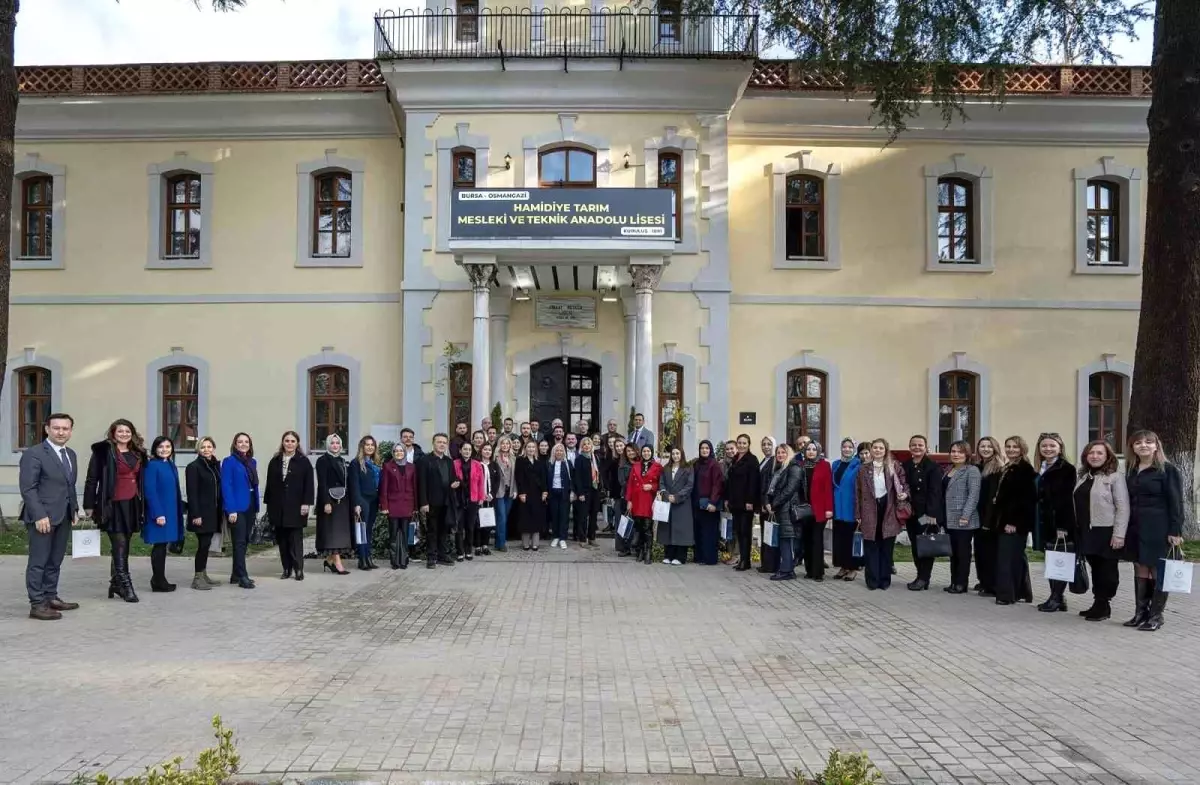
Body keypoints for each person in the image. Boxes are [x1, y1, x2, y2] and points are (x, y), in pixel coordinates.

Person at [19, 412, 81, 620]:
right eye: (56, 428)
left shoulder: (70, 454)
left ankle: (50, 596)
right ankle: (37, 604)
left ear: (71, 431)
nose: (61, 432)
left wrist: (74, 509)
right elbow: (29, 488)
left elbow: (69, 485)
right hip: (42, 517)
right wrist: (39, 515)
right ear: (47, 429)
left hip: (63, 515)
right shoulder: (34, 454)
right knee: (39, 561)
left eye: (65, 428)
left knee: (55, 560)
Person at [1123, 430, 1185, 632]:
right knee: (1140, 566)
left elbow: (1176, 503)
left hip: (1159, 526)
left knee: (1157, 569)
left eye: (1148, 442)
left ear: (1156, 446)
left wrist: (1175, 531)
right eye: (1138, 442)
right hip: (1136, 526)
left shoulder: (1168, 470)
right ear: (1132, 447)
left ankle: (1156, 616)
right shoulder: (1131, 470)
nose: (1143, 445)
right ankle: (1140, 613)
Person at [85, 419, 149, 604]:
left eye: (127, 431)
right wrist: (89, 505)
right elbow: (92, 478)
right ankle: (126, 585)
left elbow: (141, 479)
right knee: (120, 543)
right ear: (113, 433)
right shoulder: (103, 451)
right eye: (120, 431)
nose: (124, 434)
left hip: (131, 504)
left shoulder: (138, 453)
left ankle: (115, 583)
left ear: (132, 433)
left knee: (124, 543)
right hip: (111, 503)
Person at [1074, 440, 1129, 622]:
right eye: (1091, 453)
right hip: (1086, 530)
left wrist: (1119, 534)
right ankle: (1098, 602)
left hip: (1106, 530)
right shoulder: (1084, 476)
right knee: (1095, 567)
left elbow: (1123, 507)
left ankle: (1104, 604)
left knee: (1107, 570)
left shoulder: (1114, 477)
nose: (1095, 456)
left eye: (1099, 453)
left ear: (1107, 457)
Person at [855, 438, 908, 591]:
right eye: (875, 448)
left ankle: (884, 580)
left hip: (888, 508)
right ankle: (872, 580)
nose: (877, 450)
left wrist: (904, 494)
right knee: (871, 545)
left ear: (886, 451)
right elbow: (857, 493)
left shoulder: (894, 466)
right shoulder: (863, 469)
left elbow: (904, 484)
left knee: (886, 546)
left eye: (881, 448)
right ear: (871, 450)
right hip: (869, 509)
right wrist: (857, 513)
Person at [1034, 432, 1076, 613]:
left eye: (1052, 446)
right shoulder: (1042, 467)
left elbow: (1065, 500)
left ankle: (1056, 597)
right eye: (1044, 446)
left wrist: (1062, 527)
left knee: (1059, 559)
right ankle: (1057, 596)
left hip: (1059, 523)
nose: (1048, 449)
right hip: (1044, 522)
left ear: (1060, 448)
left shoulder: (1066, 469)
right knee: (1051, 559)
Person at [264, 431, 314, 581]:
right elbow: (270, 484)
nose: (290, 444)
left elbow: (309, 485)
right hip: (278, 506)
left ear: (297, 443)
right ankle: (286, 568)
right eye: (287, 441)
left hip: (296, 506)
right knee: (282, 540)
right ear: (283, 442)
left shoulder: (303, 461)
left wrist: (306, 503)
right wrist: (268, 505)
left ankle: (298, 569)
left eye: (293, 441)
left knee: (295, 539)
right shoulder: (275, 461)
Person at [992, 437, 1036, 606]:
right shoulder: (1009, 467)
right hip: (1005, 519)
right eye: (1008, 447)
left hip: (1013, 522)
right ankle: (1023, 592)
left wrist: (1013, 522)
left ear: (1022, 449)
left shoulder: (1023, 470)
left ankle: (1006, 595)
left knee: (1007, 558)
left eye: (1015, 447)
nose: (1011, 450)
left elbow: (1023, 500)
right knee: (1017, 557)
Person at [143, 436, 185, 593]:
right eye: (161, 447)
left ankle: (159, 579)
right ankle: (158, 580)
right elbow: (150, 491)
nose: (164, 449)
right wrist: (158, 513)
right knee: (159, 546)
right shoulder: (152, 466)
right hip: (159, 512)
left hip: (171, 511)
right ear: (155, 448)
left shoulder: (170, 465)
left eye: (168, 446)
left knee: (163, 545)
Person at [902, 435, 944, 592]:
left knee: (925, 544)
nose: (917, 447)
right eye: (913, 445)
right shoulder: (906, 465)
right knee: (915, 545)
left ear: (926, 447)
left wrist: (932, 514)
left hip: (926, 514)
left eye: (920, 445)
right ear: (909, 447)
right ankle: (919, 575)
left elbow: (935, 492)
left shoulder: (932, 467)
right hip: (911, 513)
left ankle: (924, 578)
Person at [941, 441, 981, 594]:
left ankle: (961, 583)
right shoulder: (948, 470)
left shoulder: (972, 470)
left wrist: (966, 515)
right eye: (953, 451)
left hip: (963, 519)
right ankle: (953, 581)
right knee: (953, 553)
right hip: (949, 518)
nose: (956, 454)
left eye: (960, 452)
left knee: (963, 553)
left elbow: (973, 495)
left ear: (967, 454)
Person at [220, 432, 259, 589]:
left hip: (250, 504)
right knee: (239, 541)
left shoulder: (252, 462)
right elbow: (226, 486)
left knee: (245, 540)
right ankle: (243, 576)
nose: (243, 444)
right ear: (235, 445)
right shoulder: (229, 462)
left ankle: (235, 574)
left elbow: (253, 484)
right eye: (240, 442)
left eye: (246, 442)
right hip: (236, 506)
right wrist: (231, 510)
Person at [185, 436, 223, 591]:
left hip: (213, 512)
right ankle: (197, 578)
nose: (206, 449)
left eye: (209, 446)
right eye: (203, 447)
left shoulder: (214, 465)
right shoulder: (194, 467)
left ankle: (203, 573)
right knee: (203, 545)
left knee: (207, 545)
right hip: (201, 513)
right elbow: (192, 493)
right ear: (198, 450)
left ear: (213, 448)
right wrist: (196, 515)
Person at [314, 435, 353, 577]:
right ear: (328, 445)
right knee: (332, 533)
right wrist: (326, 502)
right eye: (332, 443)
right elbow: (322, 483)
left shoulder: (342, 461)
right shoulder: (322, 461)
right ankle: (337, 563)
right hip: (329, 500)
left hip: (342, 501)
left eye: (338, 443)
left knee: (339, 533)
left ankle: (329, 561)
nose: (335, 445)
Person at [764, 443, 802, 580]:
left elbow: (789, 490)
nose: (780, 455)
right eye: (778, 453)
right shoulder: (778, 469)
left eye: (783, 452)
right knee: (782, 540)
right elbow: (770, 489)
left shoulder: (794, 468)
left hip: (788, 510)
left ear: (789, 454)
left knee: (787, 540)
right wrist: (767, 502)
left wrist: (773, 504)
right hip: (779, 509)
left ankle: (786, 570)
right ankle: (787, 569)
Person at [973, 437, 1006, 596]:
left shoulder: (997, 468)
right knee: (980, 551)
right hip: (978, 516)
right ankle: (983, 581)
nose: (985, 449)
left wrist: (987, 521)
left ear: (995, 449)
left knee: (989, 553)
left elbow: (993, 498)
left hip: (989, 518)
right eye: (982, 446)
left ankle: (992, 585)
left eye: (989, 446)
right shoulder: (979, 466)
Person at [419, 433, 456, 568]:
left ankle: (442, 555)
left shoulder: (449, 461)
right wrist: (423, 502)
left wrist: (455, 483)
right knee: (432, 531)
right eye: (439, 442)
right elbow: (421, 483)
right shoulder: (425, 460)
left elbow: (452, 478)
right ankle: (431, 557)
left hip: (446, 502)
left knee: (444, 530)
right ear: (433, 443)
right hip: (431, 502)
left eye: (444, 442)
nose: (442, 444)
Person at [798, 441, 834, 581]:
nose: (811, 452)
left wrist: (829, 509)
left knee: (816, 540)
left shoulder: (824, 465)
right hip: (805, 509)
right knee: (806, 540)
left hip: (820, 509)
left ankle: (818, 572)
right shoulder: (801, 466)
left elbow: (828, 488)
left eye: (814, 449)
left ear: (818, 451)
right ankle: (809, 570)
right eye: (808, 449)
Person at [380, 441, 418, 569]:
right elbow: (383, 487)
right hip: (393, 505)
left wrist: (415, 507)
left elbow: (415, 487)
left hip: (407, 504)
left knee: (406, 533)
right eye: (396, 451)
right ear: (393, 453)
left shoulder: (411, 467)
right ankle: (395, 561)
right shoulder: (387, 466)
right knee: (394, 534)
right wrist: (384, 506)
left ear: (405, 452)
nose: (399, 453)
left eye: (401, 451)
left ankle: (404, 560)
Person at [830, 439, 864, 581]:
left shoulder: (858, 465)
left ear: (854, 449)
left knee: (851, 539)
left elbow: (861, 489)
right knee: (839, 539)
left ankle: (853, 568)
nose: (847, 449)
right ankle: (843, 566)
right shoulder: (836, 464)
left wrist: (860, 510)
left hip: (851, 507)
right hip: (838, 508)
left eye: (850, 447)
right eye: (844, 446)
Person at [726, 434, 760, 572]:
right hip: (735, 502)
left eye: (744, 443)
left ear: (749, 444)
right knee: (739, 531)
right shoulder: (735, 459)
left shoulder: (752, 460)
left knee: (746, 532)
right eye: (739, 443)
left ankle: (746, 561)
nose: (741, 445)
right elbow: (730, 481)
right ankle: (742, 558)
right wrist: (728, 498)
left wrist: (750, 501)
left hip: (746, 502)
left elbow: (753, 482)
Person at [658, 446, 694, 565]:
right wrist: (667, 495)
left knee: (681, 530)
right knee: (667, 529)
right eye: (673, 454)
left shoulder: (688, 468)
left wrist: (677, 496)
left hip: (682, 504)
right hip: (668, 502)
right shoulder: (666, 468)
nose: (675, 456)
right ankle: (668, 555)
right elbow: (661, 483)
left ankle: (680, 557)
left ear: (682, 454)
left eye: (677, 453)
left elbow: (689, 485)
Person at [626, 443, 662, 563]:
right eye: (644, 451)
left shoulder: (657, 466)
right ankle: (640, 550)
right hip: (636, 500)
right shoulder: (636, 465)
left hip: (648, 500)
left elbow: (661, 484)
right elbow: (630, 484)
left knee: (647, 527)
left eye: (648, 451)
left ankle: (648, 552)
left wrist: (651, 486)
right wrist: (629, 500)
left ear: (652, 452)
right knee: (639, 527)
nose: (646, 453)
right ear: (641, 453)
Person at [349, 435, 381, 570]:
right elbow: (354, 485)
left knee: (369, 530)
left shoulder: (375, 463)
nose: (370, 447)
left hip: (374, 499)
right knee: (361, 530)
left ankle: (368, 557)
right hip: (362, 499)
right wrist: (356, 503)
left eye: (372, 445)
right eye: (367, 445)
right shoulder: (356, 463)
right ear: (362, 447)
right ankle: (362, 559)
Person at [692, 440, 724, 566]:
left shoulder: (714, 464)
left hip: (709, 504)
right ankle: (699, 556)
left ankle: (709, 558)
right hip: (697, 504)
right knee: (698, 531)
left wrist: (713, 502)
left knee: (709, 532)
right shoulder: (696, 464)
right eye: (702, 448)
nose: (704, 450)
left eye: (707, 448)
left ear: (710, 450)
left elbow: (718, 484)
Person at [453, 441, 485, 560]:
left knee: (470, 526)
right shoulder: (454, 464)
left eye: (469, 450)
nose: (467, 451)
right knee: (459, 527)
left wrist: (481, 497)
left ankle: (468, 550)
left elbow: (481, 482)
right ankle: (460, 552)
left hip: (473, 499)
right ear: (460, 450)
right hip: (459, 499)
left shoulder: (477, 464)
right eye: (465, 449)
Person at [516, 440, 547, 551]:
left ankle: (535, 543)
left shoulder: (539, 462)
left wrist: (545, 491)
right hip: (525, 493)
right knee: (525, 518)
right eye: (529, 447)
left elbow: (544, 478)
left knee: (536, 517)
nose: (531, 449)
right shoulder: (520, 461)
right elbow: (519, 478)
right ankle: (525, 544)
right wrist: (521, 493)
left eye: (533, 447)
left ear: (536, 449)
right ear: (525, 448)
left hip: (537, 494)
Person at [572, 436, 601, 547]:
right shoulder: (579, 459)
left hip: (595, 490)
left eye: (589, 444)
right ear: (581, 446)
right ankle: (582, 539)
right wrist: (580, 493)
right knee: (583, 516)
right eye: (584, 444)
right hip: (584, 491)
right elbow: (577, 477)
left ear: (591, 446)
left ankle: (592, 537)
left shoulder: (595, 457)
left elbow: (599, 473)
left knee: (593, 515)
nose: (587, 446)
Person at [757, 436, 780, 574]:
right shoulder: (764, 461)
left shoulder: (774, 461)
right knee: (765, 534)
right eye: (764, 444)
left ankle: (771, 565)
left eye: (769, 444)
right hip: (763, 503)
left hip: (769, 504)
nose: (766, 447)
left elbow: (770, 485)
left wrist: (767, 503)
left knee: (770, 534)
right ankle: (765, 563)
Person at [545, 443, 573, 549]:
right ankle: (555, 536)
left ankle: (562, 538)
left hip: (564, 493)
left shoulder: (568, 463)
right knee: (554, 515)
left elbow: (572, 479)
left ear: (564, 453)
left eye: (561, 451)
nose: (559, 452)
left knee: (564, 516)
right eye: (557, 450)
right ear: (553, 452)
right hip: (553, 493)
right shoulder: (549, 464)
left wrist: (572, 492)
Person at [614, 442, 639, 556]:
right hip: (627, 497)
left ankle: (637, 547)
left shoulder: (641, 463)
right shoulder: (622, 465)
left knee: (638, 524)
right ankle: (625, 548)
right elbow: (622, 482)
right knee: (625, 523)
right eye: (628, 451)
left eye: (632, 450)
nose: (630, 453)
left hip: (640, 498)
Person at [493, 438, 517, 552]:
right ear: (499, 444)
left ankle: (498, 542)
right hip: (499, 491)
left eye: (507, 443)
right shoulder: (495, 458)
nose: (505, 445)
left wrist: (516, 490)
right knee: (502, 517)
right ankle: (502, 543)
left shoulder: (513, 458)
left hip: (510, 491)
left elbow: (515, 476)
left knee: (503, 518)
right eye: (503, 443)